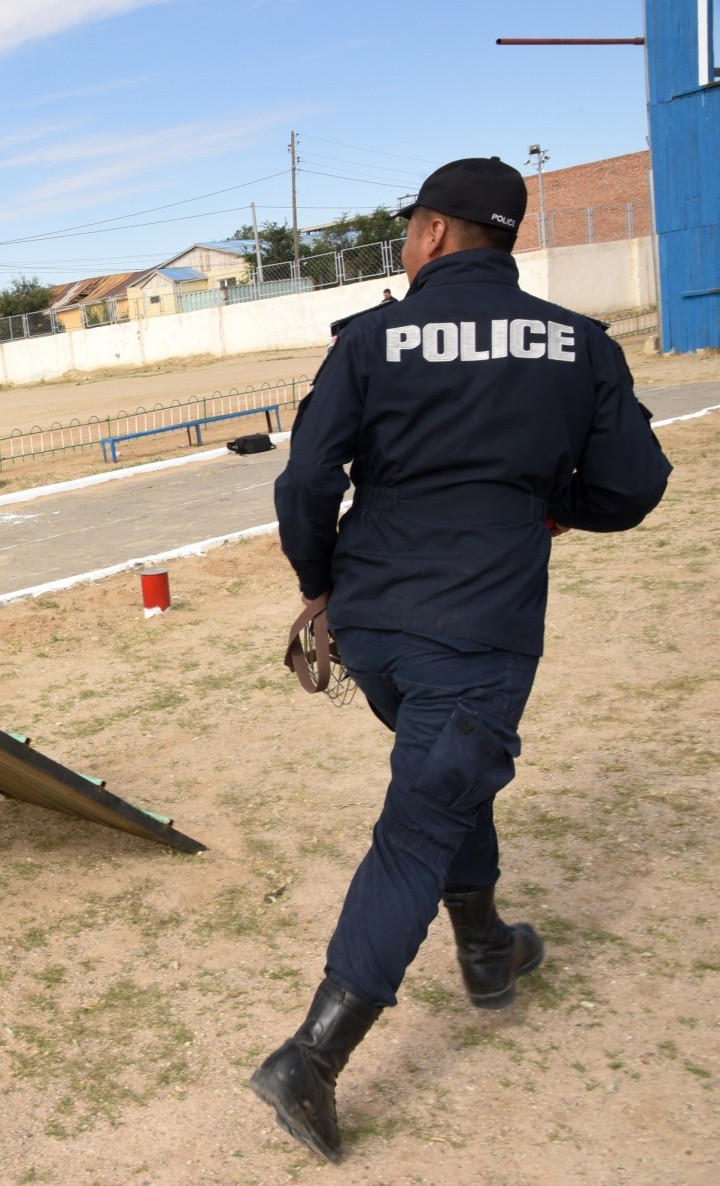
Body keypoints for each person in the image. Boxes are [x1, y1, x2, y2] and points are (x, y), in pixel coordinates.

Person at [254, 157, 673, 1162]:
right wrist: (549, 504)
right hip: (479, 627)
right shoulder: (578, 346)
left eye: (410, 229)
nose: (407, 245)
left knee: (448, 778)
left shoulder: (370, 341)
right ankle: (311, 1055)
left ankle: (488, 948)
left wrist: (320, 579)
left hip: (378, 631)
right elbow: (635, 484)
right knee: (422, 817)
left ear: (435, 235)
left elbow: (306, 478)